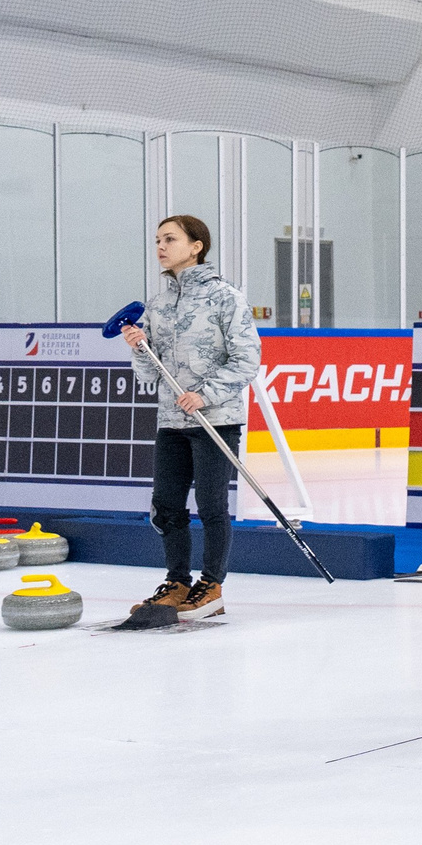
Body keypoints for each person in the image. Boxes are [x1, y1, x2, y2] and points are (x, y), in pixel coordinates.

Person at [119, 214, 260, 620]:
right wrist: (138, 347)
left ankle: (211, 585)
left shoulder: (225, 297)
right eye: (158, 240)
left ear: (196, 245)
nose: (161, 246)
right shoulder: (158, 305)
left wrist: (206, 395)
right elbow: (148, 374)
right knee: (165, 505)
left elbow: (247, 357)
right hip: (171, 420)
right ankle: (177, 582)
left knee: (211, 503)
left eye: (170, 239)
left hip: (215, 419)